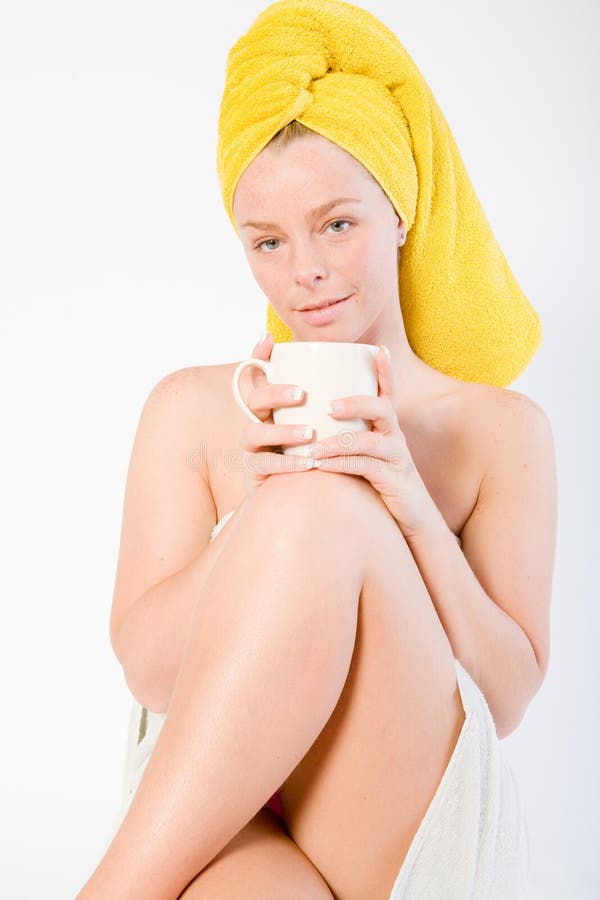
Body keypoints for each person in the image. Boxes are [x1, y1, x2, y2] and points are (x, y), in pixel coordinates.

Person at [76, 1, 557, 898]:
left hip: (398, 808)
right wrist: (259, 514)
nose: (307, 271)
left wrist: (407, 505)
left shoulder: (501, 430)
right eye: (268, 241)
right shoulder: (191, 411)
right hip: (227, 807)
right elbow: (147, 673)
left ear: (402, 212)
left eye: (338, 224)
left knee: (323, 504)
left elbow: (511, 695)